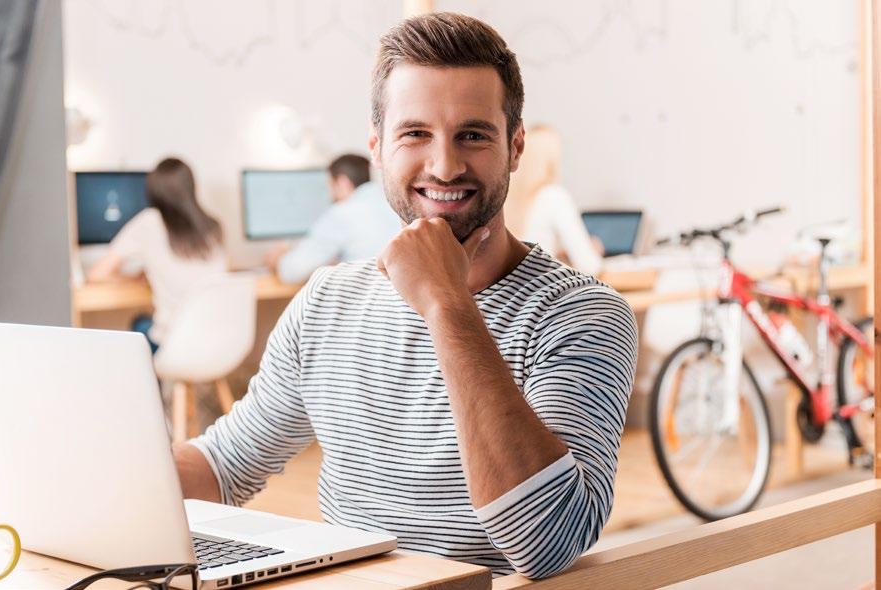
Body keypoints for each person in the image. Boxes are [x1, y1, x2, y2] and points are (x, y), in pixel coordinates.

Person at [174, 13, 636, 579]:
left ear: (515, 146)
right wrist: (102, 480)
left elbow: (546, 540)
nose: (444, 165)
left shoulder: (582, 313)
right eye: (415, 133)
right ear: (377, 148)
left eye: (473, 134)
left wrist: (446, 304)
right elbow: (223, 466)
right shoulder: (327, 301)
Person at [88, 158, 227, 352]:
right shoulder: (213, 226)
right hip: (219, 342)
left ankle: (155, 383)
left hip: (177, 344)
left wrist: (132, 280)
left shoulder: (149, 221)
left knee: (140, 325)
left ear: (154, 191)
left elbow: (97, 274)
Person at [264, 154, 401, 283]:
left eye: (330, 186)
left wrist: (277, 260)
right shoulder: (395, 204)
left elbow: (293, 272)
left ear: (342, 182)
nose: (330, 195)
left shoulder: (342, 213)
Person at [505, 124, 604, 275]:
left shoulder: (506, 198)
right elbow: (590, 266)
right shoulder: (553, 196)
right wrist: (594, 250)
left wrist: (560, 255)